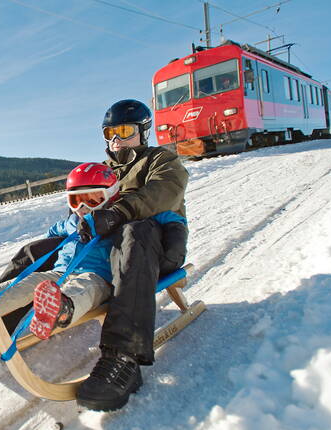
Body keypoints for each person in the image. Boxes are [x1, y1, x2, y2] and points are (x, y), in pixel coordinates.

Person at [0, 163, 185, 343]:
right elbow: (55, 231)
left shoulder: (118, 218)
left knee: (83, 289)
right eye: (75, 200)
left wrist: (174, 226)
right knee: (29, 282)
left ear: (112, 194)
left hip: (99, 278)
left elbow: (161, 214)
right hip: (60, 272)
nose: (82, 208)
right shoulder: (72, 222)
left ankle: (61, 309)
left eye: (92, 199)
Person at [74, 99, 189, 411]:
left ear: (143, 131)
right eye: (109, 132)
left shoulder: (161, 160)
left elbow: (165, 191)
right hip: (114, 251)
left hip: (158, 243)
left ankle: (123, 357)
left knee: (134, 231)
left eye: (124, 131)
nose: (116, 139)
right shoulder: (104, 171)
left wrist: (118, 212)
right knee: (47, 245)